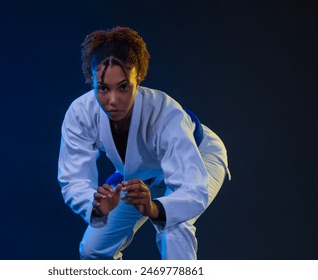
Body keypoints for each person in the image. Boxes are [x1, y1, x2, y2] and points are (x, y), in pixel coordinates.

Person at [58, 26, 230, 260]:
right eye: (103, 89)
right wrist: (97, 206)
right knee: (92, 251)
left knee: (174, 230)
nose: (112, 101)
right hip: (139, 174)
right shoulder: (81, 113)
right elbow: (73, 179)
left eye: (123, 87)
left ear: (138, 78)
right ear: (92, 82)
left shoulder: (166, 114)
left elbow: (194, 190)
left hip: (198, 157)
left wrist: (154, 208)